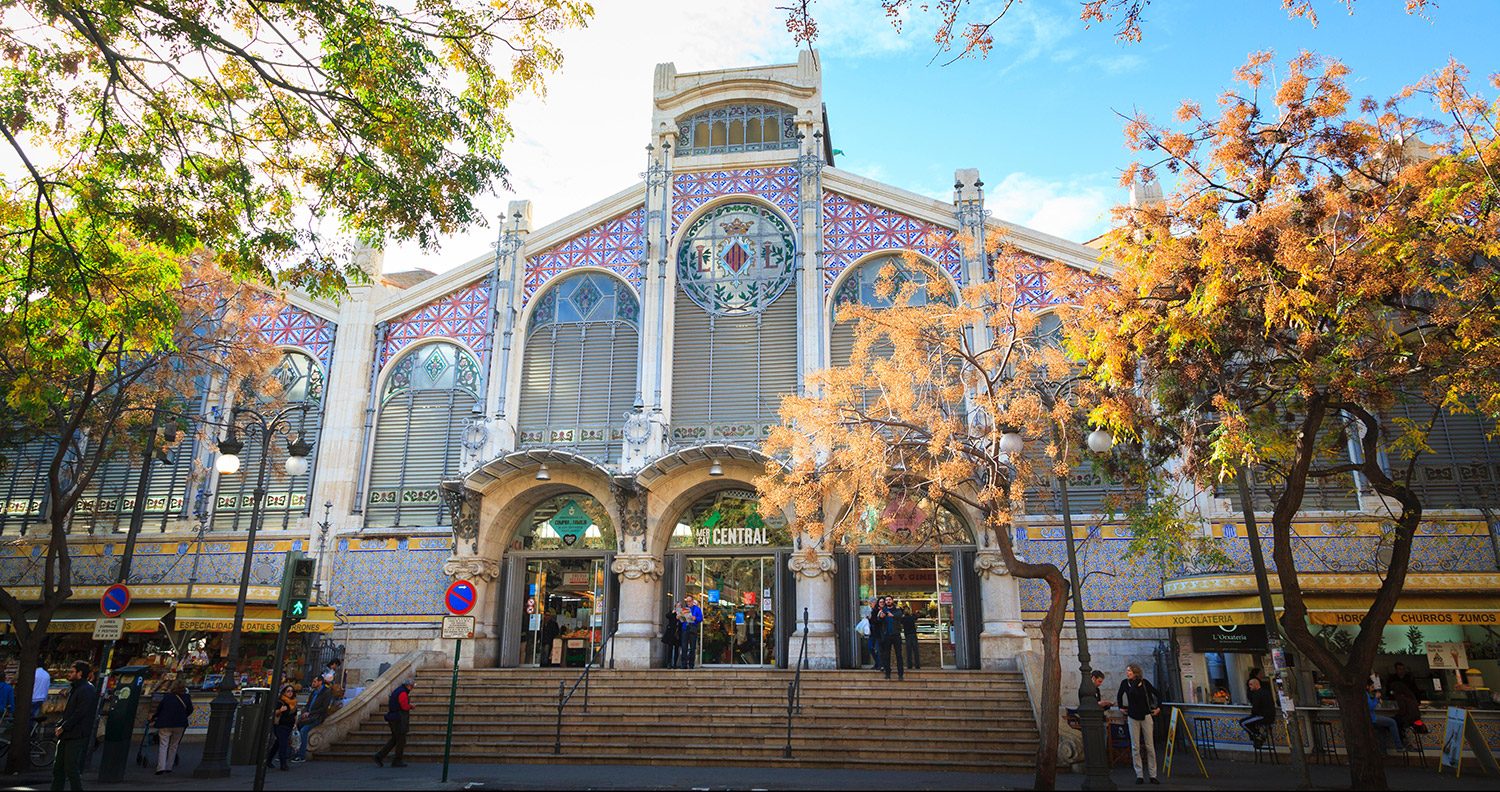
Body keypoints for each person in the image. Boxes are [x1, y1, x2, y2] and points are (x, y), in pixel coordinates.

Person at [51, 660, 97, 792]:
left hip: (77, 733)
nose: (69, 674)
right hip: (67, 732)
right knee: (58, 767)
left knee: (71, 767)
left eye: (72, 672)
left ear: (80, 673)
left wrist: (64, 726)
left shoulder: (86, 689)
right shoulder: (76, 688)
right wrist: (61, 724)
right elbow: (70, 711)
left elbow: (80, 713)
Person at [1116, 663, 1161, 785]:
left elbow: (1157, 694)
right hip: (1132, 716)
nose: (1127, 673)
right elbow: (1119, 695)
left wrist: (1158, 708)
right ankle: (1139, 774)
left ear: (1136, 672)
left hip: (1146, 715)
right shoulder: (1125, 683)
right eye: (1127, 671)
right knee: (1135, 746)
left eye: (1129, 671)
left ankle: (1153, 774)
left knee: (1149, 746)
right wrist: (1120, 707)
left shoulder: (1144, 683)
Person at [149, 681, 193, 774]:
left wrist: (154, 717)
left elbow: (160, 709)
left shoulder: (167, 697)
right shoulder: (187, 697)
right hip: (180, 723)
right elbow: (190, 709)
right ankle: (169, 766)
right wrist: (183, 715)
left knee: (163, 744)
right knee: (174, 745)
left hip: (165, 723)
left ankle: (161, 767)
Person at [375, 678, 413, 767]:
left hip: (393, 717)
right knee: (400, 740)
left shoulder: (398, 691)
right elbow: (404, 706)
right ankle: (397, 760)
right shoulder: (403, 693)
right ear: (408, 685)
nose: (412, 688)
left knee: (395, 739)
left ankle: (379, 756)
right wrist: (411, 706)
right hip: (398, 719)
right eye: (412, 686)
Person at [294, 676, 331, 763]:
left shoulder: (326, 692)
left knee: (304, 731)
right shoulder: (314, 692)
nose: (313, 683)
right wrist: (304, 712)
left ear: (320, 682)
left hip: (317, 717)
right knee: (296, 730)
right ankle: (294, 752)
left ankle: (301, 755)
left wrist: (310, 713)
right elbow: (308, 704)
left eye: (315, 681)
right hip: (309, 716)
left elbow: (324, 708)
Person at [265, 683, 297, 771]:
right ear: (284, 692)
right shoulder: (280, 702)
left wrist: (295, 723)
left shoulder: (293, 702)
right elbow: (273, 712)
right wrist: (280, 710)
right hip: (280, 725)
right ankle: (283, 764)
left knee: (278, 743)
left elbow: (294, 714)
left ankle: (268, 759)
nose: (290, 693)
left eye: (292, 691)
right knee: (283, 743)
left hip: (289, 726)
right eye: (288, 691)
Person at [1386, 661, 1423, 734]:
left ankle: (1400, 740)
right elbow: (1388, 692)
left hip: (1408, 719)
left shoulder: (1408, 680)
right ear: (1396, 670)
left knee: (1393, 722)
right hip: (1412, 718)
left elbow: (1403, 711)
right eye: (1399, 669)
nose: (1401, 671)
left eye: (1402, 669)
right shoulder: (1392, 679)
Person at [1367, 679, 1403, 750]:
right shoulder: (1365, 695)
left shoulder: (1366, 694)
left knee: (1381, 730)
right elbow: (1370, 706)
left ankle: (1382, 751)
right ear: (1367, 686)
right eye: (1372, 687)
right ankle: (1399, 746)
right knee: (1392, 722)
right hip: (1372, 718)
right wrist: (1376, 699)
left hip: (1372, 717)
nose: (1373, 689)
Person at [1239, 676, 1275, 748]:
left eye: (1251, 684)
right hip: (1270, 717)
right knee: (1248, 722)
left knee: (1242, 722)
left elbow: (1255, 709)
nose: (1249, 687)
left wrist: (1253, 715)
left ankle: (1257, 736)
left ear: (1256, 684)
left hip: (1262, 716)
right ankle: (1257, 737)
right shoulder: (1266, 692)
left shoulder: (1257, 694)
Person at [877, 596, 905, 681]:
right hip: (887, 636)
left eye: (889, 600)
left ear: (892, 601)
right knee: (886, 655)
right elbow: (878, 620)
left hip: (896, 635)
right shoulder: (883, 610)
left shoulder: (897, 609)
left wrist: (892, 615)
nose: (888, 601)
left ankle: (900, 674)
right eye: (886, 600)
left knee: (899, 655)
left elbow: (900, 616)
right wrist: (880, 617)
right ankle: (887, 673)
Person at [678, 596, 702, 669]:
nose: (688, 603)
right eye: (687, 601)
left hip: (693, 628)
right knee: (684, 646)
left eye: (689, 601)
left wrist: (695, 618)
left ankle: (691, 664)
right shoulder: (684, 609)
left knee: (692, 647)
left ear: (692, 601)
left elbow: (701, 618)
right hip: (685, 628)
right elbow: (681, 620)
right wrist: (679, 617)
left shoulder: (697, 609)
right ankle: (683, 664)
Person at [901, 601, 920, 670]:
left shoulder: (903, 619)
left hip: (907, 635)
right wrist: (916, 612)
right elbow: (917, 616)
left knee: (908, 651)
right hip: (913, 635)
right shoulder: (912, 617)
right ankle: (917, 665)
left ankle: (909, 665)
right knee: (915, 650)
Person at [866, 597, 883, 671]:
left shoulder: (878, 610)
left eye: (871, 603)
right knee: (870, 648)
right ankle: (877, 663)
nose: (870, 605)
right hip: (872, 633)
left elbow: (878, 621)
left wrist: (870, 619)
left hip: (878, 633)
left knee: (878, 649)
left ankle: (879, 664)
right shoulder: (871, 610)